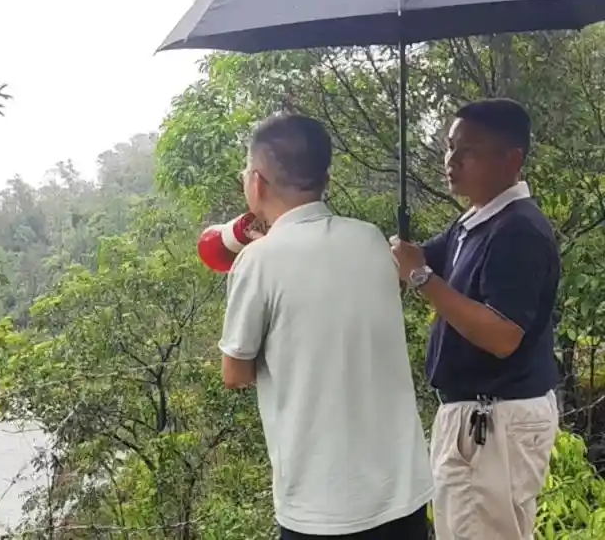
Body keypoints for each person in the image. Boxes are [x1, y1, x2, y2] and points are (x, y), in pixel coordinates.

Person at [220, 113, 433, 539]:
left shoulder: (258, 262)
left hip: (320, 508)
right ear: (324, 177)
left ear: (257, 183)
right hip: (402, 494)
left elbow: (235, 373)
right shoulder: (371, 238)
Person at [390, 98, 561, 540]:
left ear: (511, 160)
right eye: (450, 147)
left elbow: (503, 335)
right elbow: (413, 260)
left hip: (494, 421)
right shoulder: (475, 222)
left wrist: (421, 278)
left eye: (468, 150)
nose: (452, 160)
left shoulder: (517, 230)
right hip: (476, 419)